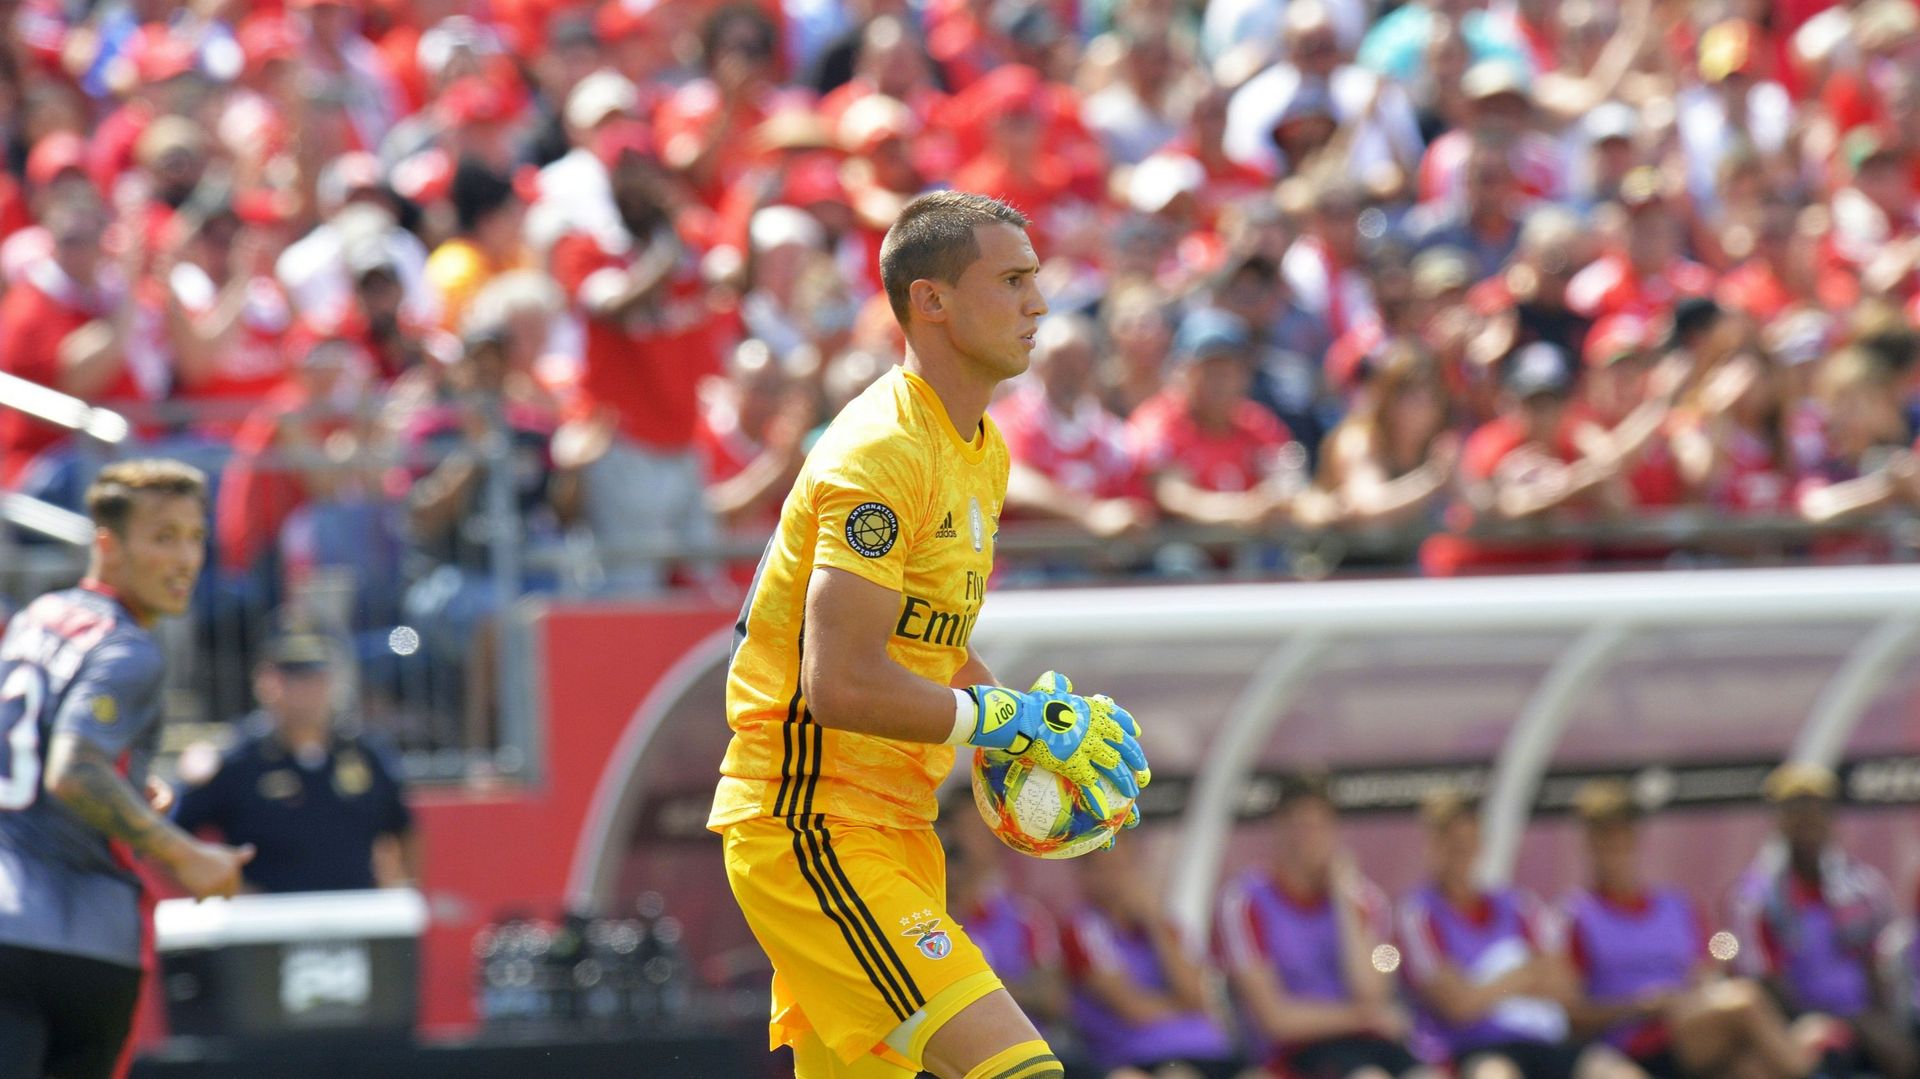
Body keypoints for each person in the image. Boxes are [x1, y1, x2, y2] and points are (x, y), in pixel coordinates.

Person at [707, 191, 1151, 1079]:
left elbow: (929, 647)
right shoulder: (881, 452)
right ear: (931, 301)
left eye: (1038, 280)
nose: (1039, 304)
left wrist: (1024, 714)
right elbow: (839, 683)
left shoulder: (982, 448)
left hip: (893, 826)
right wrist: (998, 723)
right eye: (1013, 280)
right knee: (1020, 1070)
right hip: (813, 824)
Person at [0, 460, 253, 1078]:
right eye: (164, 536)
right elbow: (73, 770)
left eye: (196, 537)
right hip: (84, 945)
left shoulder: (36, 620)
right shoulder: (127, 647)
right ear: (108, 546)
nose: (187, 559)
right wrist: (185, 854)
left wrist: (132, 788)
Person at [1561, 779, 1822, 1079]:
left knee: (1752, 1069)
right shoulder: (1575, 916)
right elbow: (1570, 1016)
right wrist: (1638, 1007)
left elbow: (1706, 970)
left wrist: (1694, 992)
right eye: (1603, 839)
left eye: (1622, 836)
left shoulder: (1679, 906)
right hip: (1627, 1045)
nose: (1614, 850)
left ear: (1635, 838)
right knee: (1744, 1001)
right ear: (1589, 844)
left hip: (1690, 1030)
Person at [1217, 772, 1436, 1079]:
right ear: (1278, 827)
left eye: (1319, 826)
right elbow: (1273, 1019)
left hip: (1371, 1043)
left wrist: (1342, 898)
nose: (1309, 838)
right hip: (1297, 1051)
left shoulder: (1365, 899)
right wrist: (1362, 1018)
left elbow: (1372, 992)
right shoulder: (1245, 901)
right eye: (1300, 826)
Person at [172, 627, 416, 894]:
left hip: (353, 919)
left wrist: (402, 894)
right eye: (291, 679)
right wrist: (223, 889)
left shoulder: (364, 753)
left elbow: (404, 827)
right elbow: (172, 834)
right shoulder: (238, 760)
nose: (304, 692)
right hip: (265, 924)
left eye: (314, 678)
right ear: (265, 682)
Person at [1732, 764, 1920, 1079]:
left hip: (1869, 1025)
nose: (1807, 819)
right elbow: (1767, 986)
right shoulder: (1755, 899)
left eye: (1816, 808)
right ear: (1778, 820)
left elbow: (1879, 969)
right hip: (1801, 1032)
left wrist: (1882, 1027)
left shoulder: (1864, 888)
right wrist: (1846, 1025)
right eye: (1795, 809)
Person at [1396, 790, 1588, 1079]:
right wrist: (1524, 975)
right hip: (1470, 1050)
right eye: (1452, 843)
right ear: (1433, 845)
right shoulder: (1418, 914)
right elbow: (1457, 1006)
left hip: (1542, 1043)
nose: (1461, 853)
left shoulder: (1521, 906)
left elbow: (1566, 990)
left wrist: (1482, 989)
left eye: (1468, 842)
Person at [1061, 839, 1243, 1079]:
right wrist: (1184, 1006)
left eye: (1125, 866)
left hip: (1213, 1052)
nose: (1120, 877)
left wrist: (1154, 922)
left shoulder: (1167, 927)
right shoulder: (1083, 929)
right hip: (1145, 1058)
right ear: (1087, 875)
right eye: (1108, 867)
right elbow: (1132, 1008)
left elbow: (1198, 995)